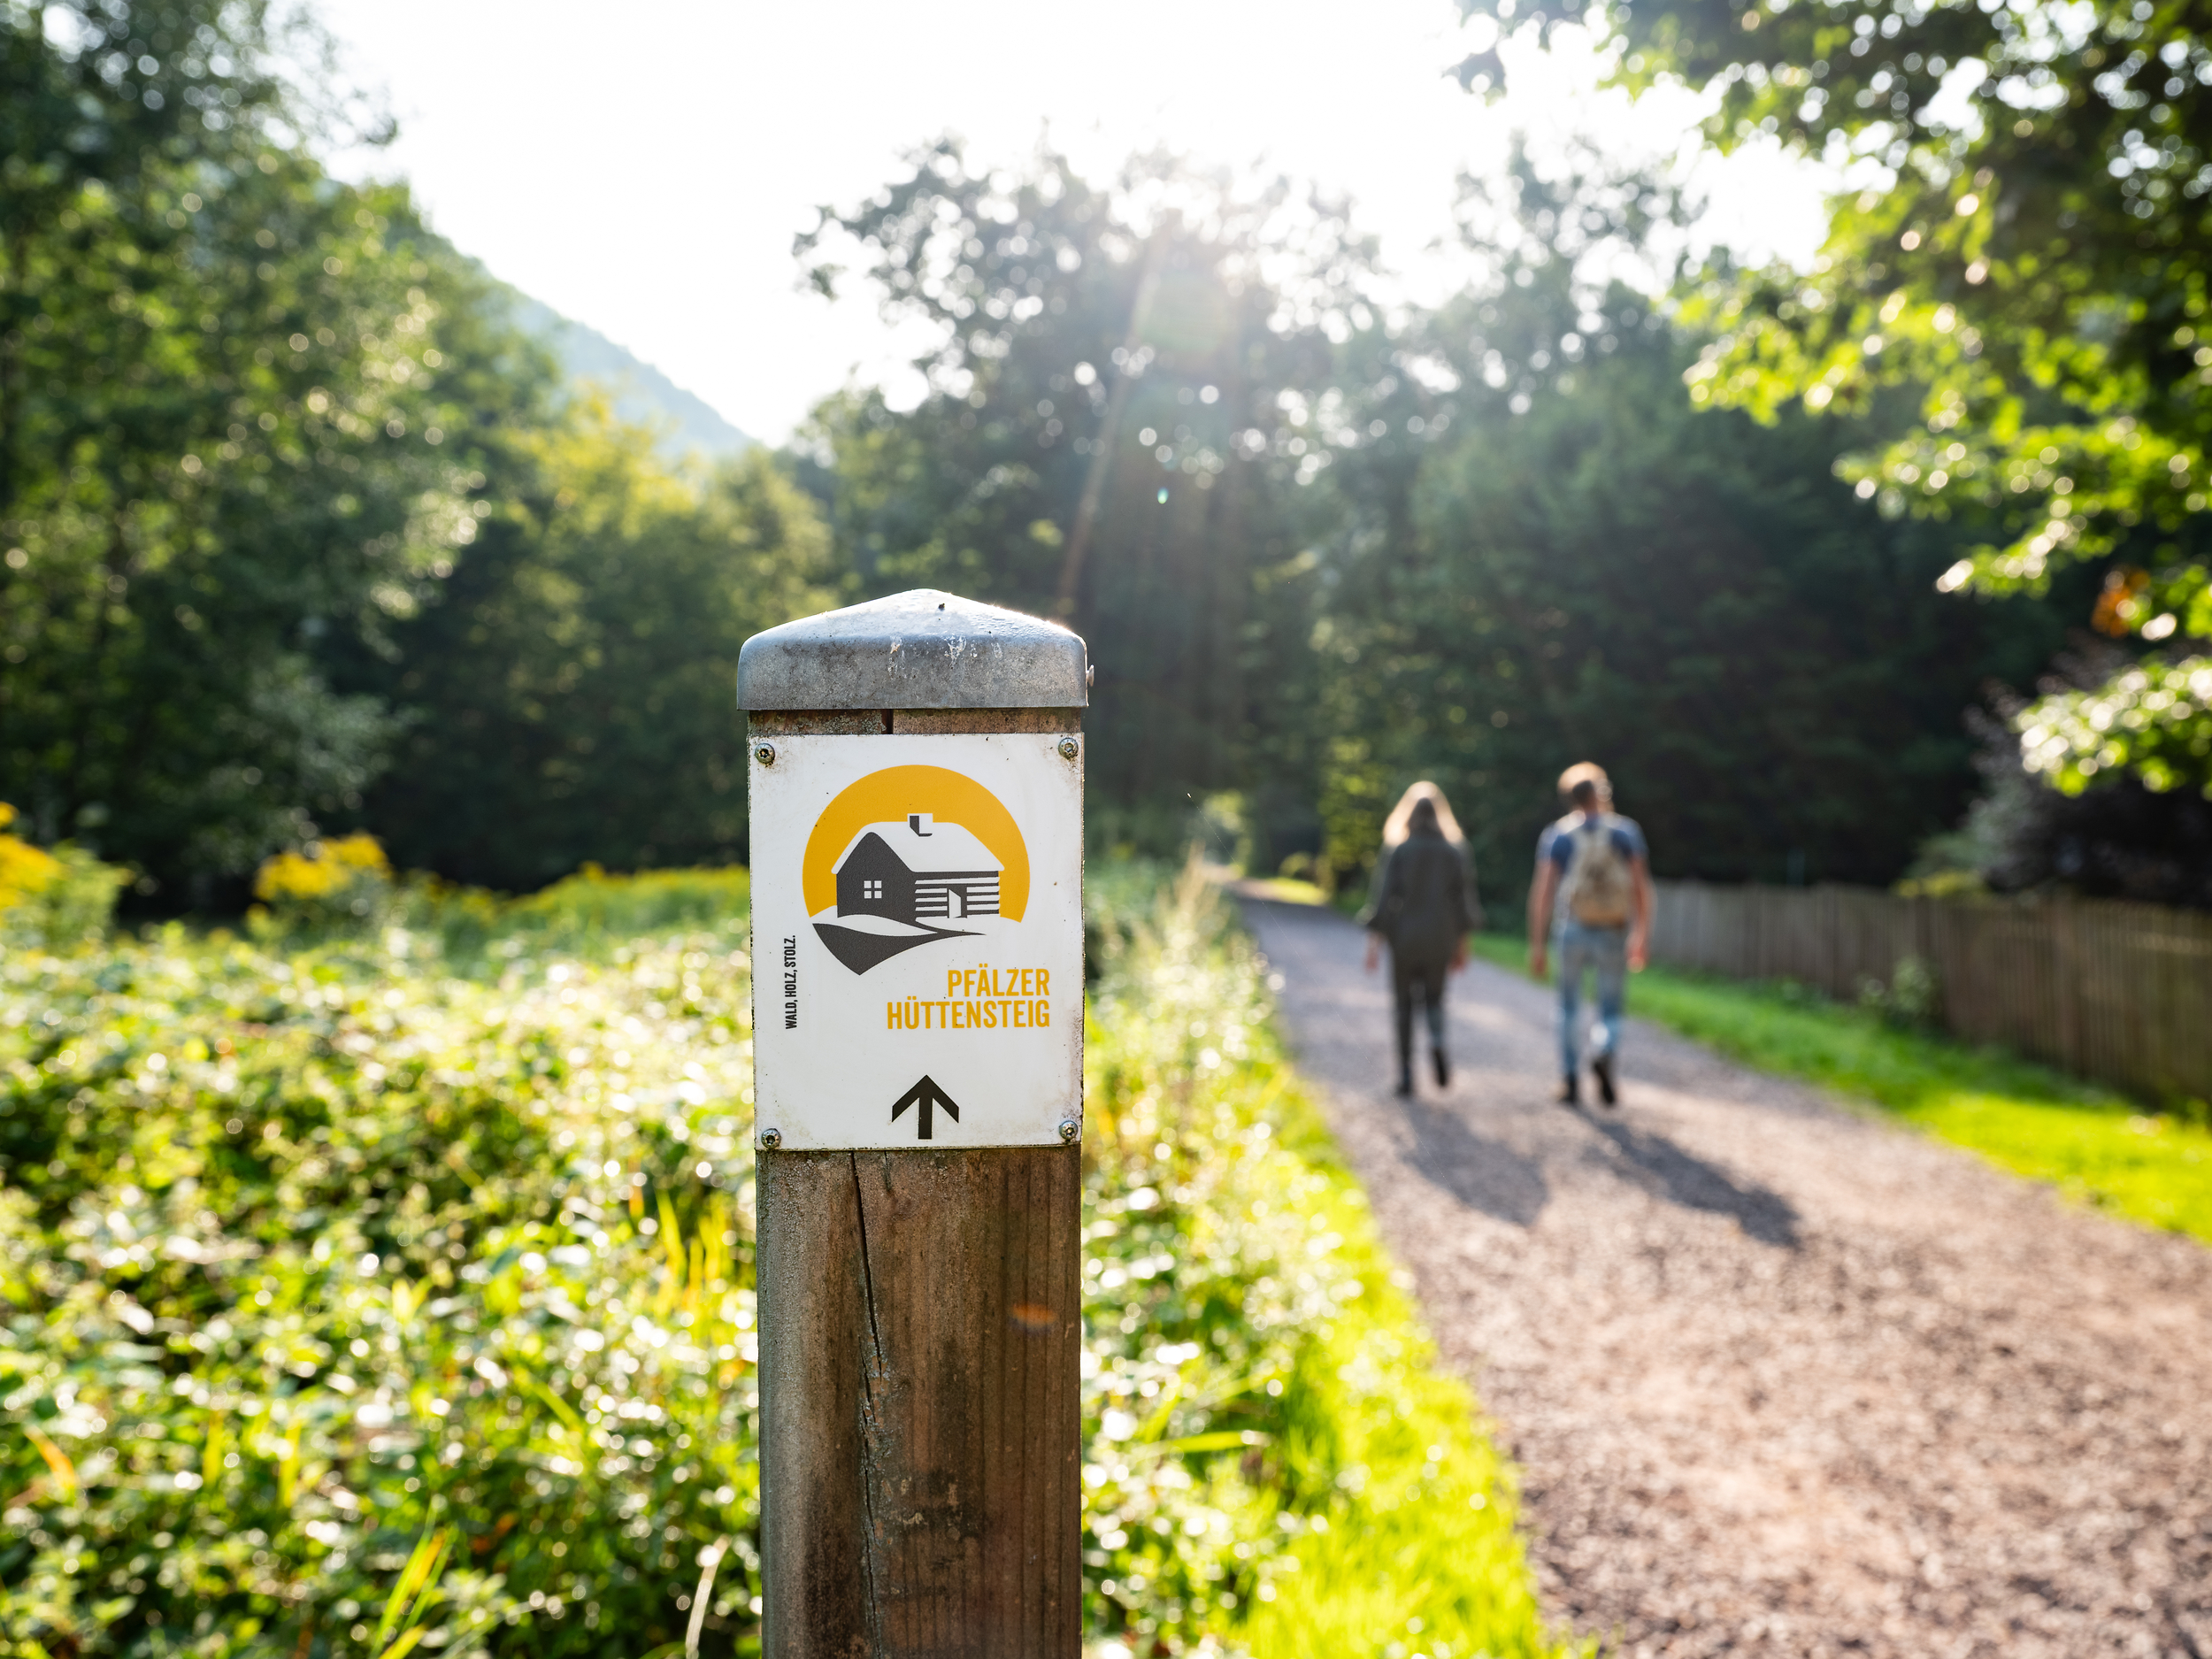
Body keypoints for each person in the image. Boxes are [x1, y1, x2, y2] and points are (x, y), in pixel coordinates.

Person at [1527, 763, 1652, 1107]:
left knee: (1569, 1007)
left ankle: (1570, 1081)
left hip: (1572, 928)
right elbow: (1640, 887)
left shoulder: (1559, 835)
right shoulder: (1625, 832)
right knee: (1610, 1007)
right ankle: (1603, 1049)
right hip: (1613, 928)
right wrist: (1641, 933)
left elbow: (1543, 892)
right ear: (1601, 792)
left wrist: (1537, 944)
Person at [1361, 781, 1482, 1097]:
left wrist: (1373, 945)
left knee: (1403, 1005)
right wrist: (1462, 946)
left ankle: (1405, 1074)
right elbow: (1463, 904)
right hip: (1440, 939)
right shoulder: (1454, 851)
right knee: (1435, 999)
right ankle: (1437, 1041)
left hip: (1404, 938)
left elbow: (1383, 900)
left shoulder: (1399, 849)